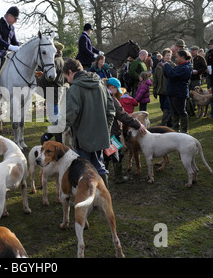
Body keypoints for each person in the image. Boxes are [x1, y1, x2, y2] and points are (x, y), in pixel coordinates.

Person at [63, 58, 115, 187]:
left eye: (66, 77)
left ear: (70, 72)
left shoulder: (74, 88)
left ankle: (88, 200)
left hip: (83, 138)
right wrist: (105, 130)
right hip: (100, 135)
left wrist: (52, 130)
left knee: (84, 170)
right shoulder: (101, 84)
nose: (67, 80)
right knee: (99, 165)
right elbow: (111, 110)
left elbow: (69, 115)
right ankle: (104, 197)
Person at [104, 78, 146, 183]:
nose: (118, 92)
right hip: (112, 132)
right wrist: (137, 124)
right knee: (116, 154)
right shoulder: (111, 100)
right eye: (117, 89)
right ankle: (118, 177)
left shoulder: (100, 96)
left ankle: (103, 177)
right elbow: (122, 115)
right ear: (112, 87)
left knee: (106, 154)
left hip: (103, 131)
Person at [0, 6, 21, 97]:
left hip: (6, 52)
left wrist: (21, 48)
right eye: (15, 18)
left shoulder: (12, 28)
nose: (16, 21)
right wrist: (10, 47)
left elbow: (14, 41)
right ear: (9, 16)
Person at [38, 41, 66, 143]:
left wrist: (38, 78)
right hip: (53, 92)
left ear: (56, 51)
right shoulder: (58, 61)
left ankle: (50, 139)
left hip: (52, 93)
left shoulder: (56, 62)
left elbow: (50, 78)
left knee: (54, 119)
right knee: (54, 117)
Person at [164, 49, 193, 133]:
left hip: (179, 94)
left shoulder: (186, 68)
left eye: (176, 57)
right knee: (174, 112)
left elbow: (173, 75)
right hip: (172, 92)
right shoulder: (180, 66)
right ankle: (175, 129)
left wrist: (167, 66)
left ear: (182, 57)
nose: (175, 59)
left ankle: (184, 130)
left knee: (181, 112)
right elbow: (169, 75)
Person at [153, 48, 174, 126]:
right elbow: (155, 78)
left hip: (169, 90)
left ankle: (164, 123)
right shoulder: (158, 65)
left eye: (170, 55)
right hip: (160, 90)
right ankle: (170, 122)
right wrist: (155, 90)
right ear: (163, 56)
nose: (168, 57)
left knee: (167, 107)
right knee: (162, 106)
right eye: (167, 55)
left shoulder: (172, 65)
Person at [187, 46, 207, 116]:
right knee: (189, 94)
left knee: (196, 93)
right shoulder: (188, 58)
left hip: (197, 78)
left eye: (193, 50)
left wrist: (198, 71)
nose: (192, 52)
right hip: (189, 78)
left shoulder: (200, 58)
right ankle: (190, 108)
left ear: (197, 51)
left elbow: (204, 67)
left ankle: (196, 106)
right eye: (191, 50)